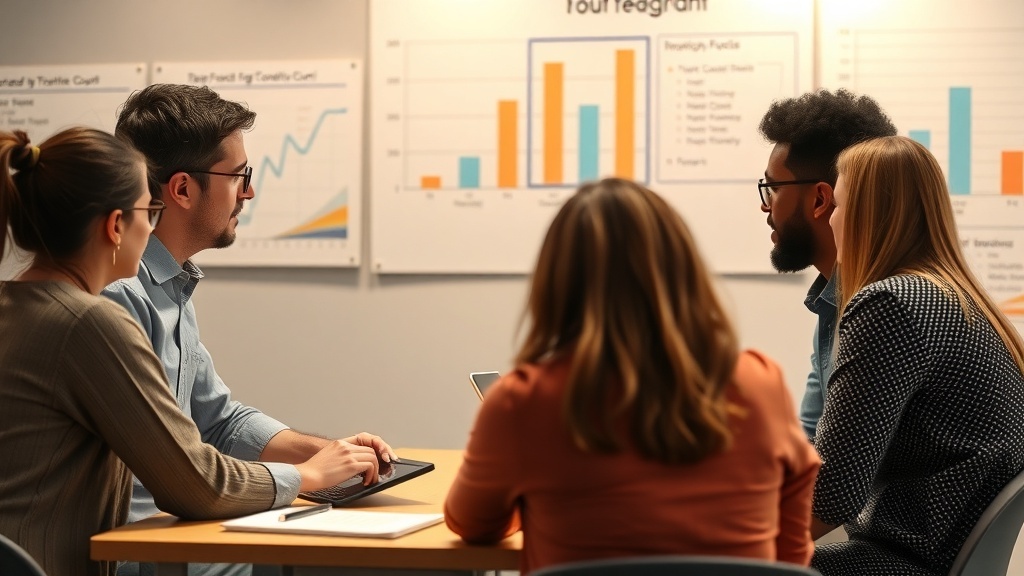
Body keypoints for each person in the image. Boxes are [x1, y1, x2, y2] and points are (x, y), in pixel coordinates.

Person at [0, 127, 386, 576]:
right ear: (115, 227)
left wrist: (322, 455)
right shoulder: (89, 322)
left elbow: (215, 419)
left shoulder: (20, 306)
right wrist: (311, 476)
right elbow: (195, 482)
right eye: (149, 211)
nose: (153, 226)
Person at [444, 178, 821, 575]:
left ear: (557, 280)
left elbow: (471, 524)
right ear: (683, 270)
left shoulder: (522, 401)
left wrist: (533, 503)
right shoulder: (760, 381)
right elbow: (794, 526)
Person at [105, 84, 395, 576]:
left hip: (184, 538)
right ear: (182, 189)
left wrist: (331, 453)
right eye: (239, 175)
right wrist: (304, 475)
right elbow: (183, 464)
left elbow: (219, 421)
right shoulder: (122, 298)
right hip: (147, 553)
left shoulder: (171, 286)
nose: (249, 191)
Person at [810, 136, 1024, 576]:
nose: (830, 221)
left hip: (898, 563)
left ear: (867, 214)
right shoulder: (963, 302)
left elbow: (828, 499)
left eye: (838, 204)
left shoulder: (890, 305)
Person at [757, 89, 897, 441]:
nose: (765, 206)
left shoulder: (884, 311)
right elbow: (808, 442)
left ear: (821, 199)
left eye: (772, 189)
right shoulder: (835, 301)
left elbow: (832, 483)